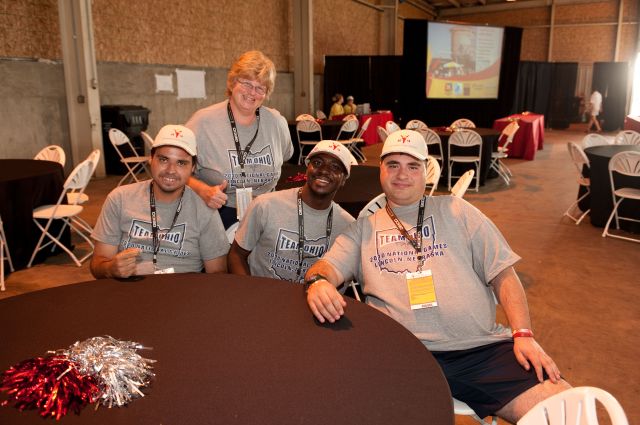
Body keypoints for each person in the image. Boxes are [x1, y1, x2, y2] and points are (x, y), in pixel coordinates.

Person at [303, 129, 571, 424]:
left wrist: (523, 334)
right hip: (401, 356)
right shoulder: (362, 229)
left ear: (425, 171)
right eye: (393, 164)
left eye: (412, 166)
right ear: (381, 170)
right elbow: (325, 268)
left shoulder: (457, 210)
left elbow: (503, 273)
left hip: (481, 350)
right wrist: (318, 283)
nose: (402, 174)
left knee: (567, 412)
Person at [90, 125, 229, 278]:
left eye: (181, 163)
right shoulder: (120, 198)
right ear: (151, 159)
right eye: (163, 159)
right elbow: (98, 265)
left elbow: (218, 273)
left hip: (183, 293)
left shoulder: (204, 208)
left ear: (193, 168)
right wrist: (111, 268)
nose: (171, 170)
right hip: (128, 291)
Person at [185, 50, 294, 229]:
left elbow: (286, 155)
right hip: (219, 213)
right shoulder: (203, 122)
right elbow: (171, 169)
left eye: (260, 88)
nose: (252, 92)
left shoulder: (276, 122)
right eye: (246, 83)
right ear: (233, 82)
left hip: (267, 212)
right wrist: (202, 190)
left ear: (266, 93)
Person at [228, 140, 356, 283]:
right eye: (318, 163)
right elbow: (236, 255)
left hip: (310, 302)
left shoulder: (348, 227)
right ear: (307, 169)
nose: (324, 170)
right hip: (262, 298)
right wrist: (249, 293)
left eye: (335, 167)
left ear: (344, 179)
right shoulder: (265, 205)